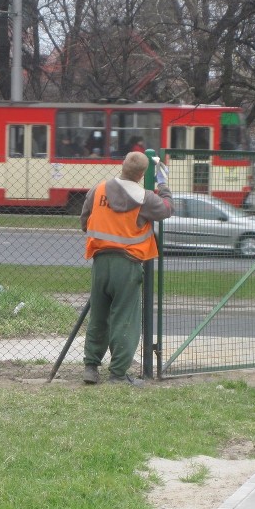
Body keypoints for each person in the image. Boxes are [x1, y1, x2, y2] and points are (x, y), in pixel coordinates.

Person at [79, 151, 173, 386]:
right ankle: (118, 374)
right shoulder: (146, 199)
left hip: (101, 262)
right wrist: (163, 184)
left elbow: (84, 220)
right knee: (125, 319)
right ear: (142, 174)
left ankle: (90, 368)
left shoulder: (98, 190)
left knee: (99, 316)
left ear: (122, 166)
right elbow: (166, 209)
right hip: (128, 265)